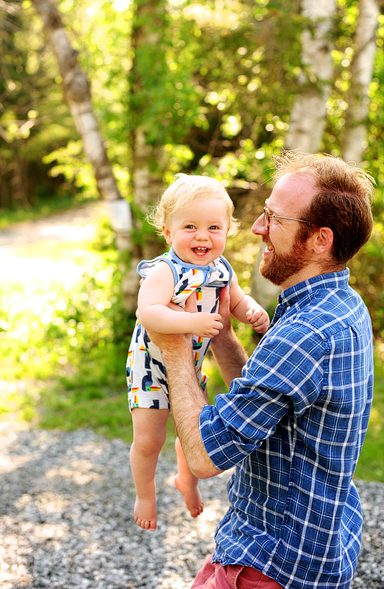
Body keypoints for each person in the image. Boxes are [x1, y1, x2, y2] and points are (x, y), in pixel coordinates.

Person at [146, 152, 375, 589]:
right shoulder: (341, 306)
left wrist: (174, 349)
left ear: (319, 240)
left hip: (270, 566)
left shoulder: (305, 333)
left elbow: (205, 456)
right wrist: (222, 337)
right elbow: (266, 404)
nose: (256, 229)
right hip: (308, 549)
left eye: (274, 218)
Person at [126, 174, 270, 531]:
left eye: (213, 227)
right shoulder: (165, 270)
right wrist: (191, 324)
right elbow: (148, 312)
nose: (202, 236)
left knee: (194, 431)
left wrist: (251, 311)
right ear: (168, 232)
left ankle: (185, 479)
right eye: (190, 226)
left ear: (227, 230)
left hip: (188, 366)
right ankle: (145, 494)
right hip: (150, 368)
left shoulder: (222, 270)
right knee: (149, 439)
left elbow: (234, 302)